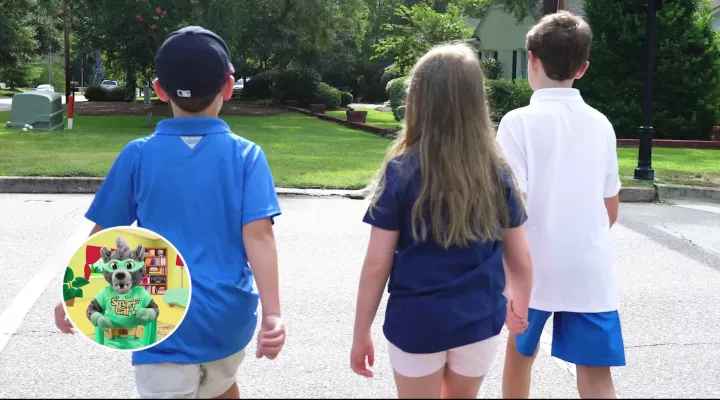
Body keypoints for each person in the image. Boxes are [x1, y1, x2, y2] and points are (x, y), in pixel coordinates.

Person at [53, 26, 285, 399]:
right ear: (228, 86)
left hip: (160, 313)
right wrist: (273, 313)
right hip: (228, 318)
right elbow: (259, 236)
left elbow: (104, 233)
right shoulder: (247, 156)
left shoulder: (138, 155)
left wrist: (74, 293)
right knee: (221, 385)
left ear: (160, 89)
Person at [349, 43, 534, 399]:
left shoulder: (401, 171)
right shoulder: (498, 173)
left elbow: (376, 264)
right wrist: (520, 306)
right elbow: (521, 258)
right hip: (479, 320)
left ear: (417, 100)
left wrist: (361, 331)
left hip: (416, 320)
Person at [496, 11, 624, 399]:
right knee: (596, 373)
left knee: (521, 355)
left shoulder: (517, 122)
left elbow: (509, 209)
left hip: (531, 267)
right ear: (583, 68)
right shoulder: (601, 123)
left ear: (530, 57)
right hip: (589, 268)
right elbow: (610, 208)